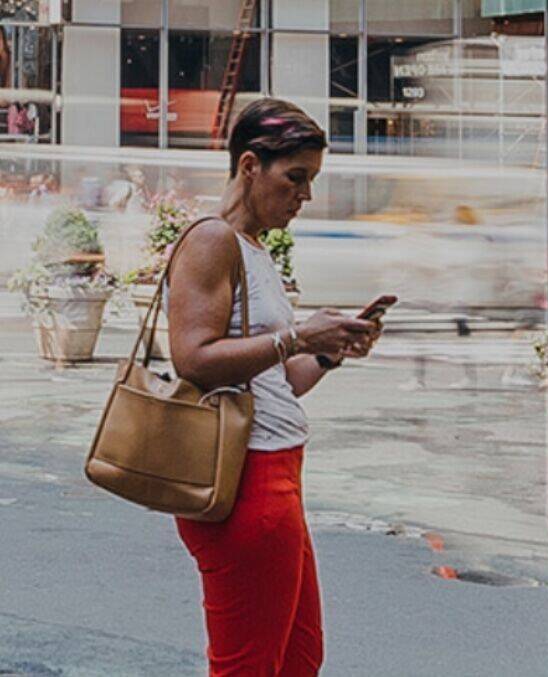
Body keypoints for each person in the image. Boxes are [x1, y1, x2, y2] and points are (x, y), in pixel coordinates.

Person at [165, 98, 380, 675]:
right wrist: (297, 336)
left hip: (278, 473)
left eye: (310, 180)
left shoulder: (255, 250)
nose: (304, 196)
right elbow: (192, 358)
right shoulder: (211, 240)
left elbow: (277, 381)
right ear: (249, 166)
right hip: (244, 482)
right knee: (251, 667)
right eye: (296, 178)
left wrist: (327, 353)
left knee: (297, 659)